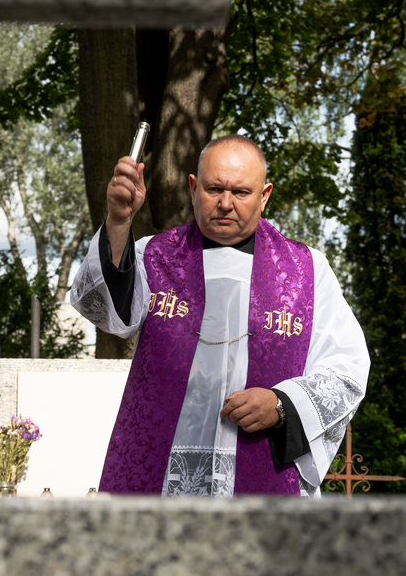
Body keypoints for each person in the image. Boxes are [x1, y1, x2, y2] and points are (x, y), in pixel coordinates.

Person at [70, 134, 370, 497]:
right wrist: (118, 221)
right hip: (158, 474)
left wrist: (282, 403)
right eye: (214, 189)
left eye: (241, 192)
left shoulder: (306, 270)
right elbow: (101, 308)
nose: (226, 203)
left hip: (258, 471)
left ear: (265, 196)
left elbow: (347, 370)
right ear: (194, 188)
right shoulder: (156, 256)